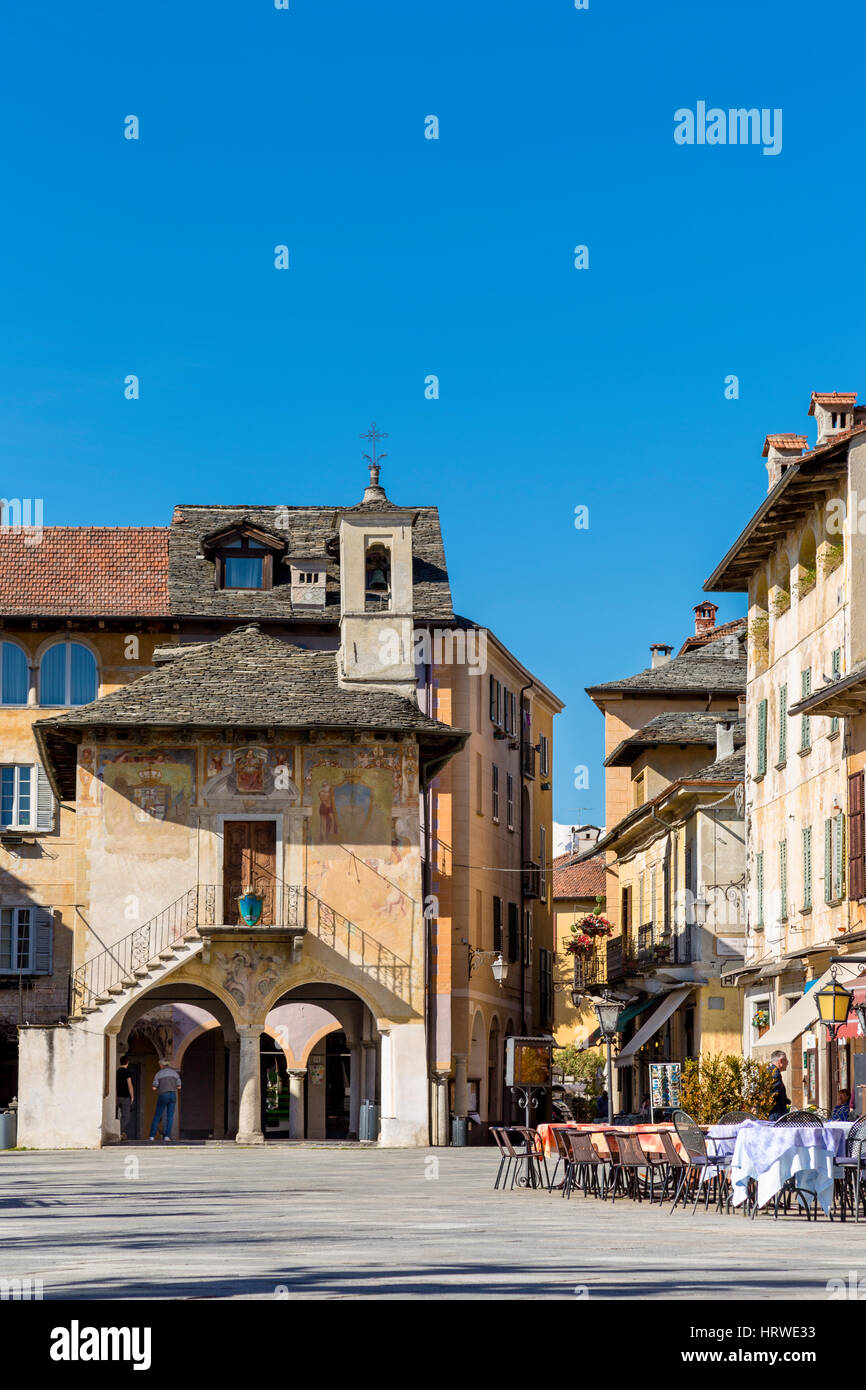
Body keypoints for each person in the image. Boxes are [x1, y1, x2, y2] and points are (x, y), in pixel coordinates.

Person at [149, 1058, 181, 1143]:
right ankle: (167, 1136)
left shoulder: (158, 1074)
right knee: (170, 1117)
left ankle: (152, 1136)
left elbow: (154, 1088)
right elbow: (179, 1087)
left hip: (163, 1095)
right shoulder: (175, 1073)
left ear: (161, 1065)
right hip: (173, 1095)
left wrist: (160, 1086)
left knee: (157, 1116)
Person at [768, 1050, 790, 1119]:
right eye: (786, 1060)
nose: (787, 1062)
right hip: (776, 1113)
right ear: (780, 1061)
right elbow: (771, 1093)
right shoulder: (775, 1074)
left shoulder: (769, 1070)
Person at [116, 1054, 134, 1140]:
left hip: (117, 1096)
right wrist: (132, 1096)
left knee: (116, 1116)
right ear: (127, 1063)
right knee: (126, 1117)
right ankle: (119, 1132)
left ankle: (119, 1132)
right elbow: (130, 1085)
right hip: (126, 1097)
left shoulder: (117, 1072)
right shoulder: (127, 1072)